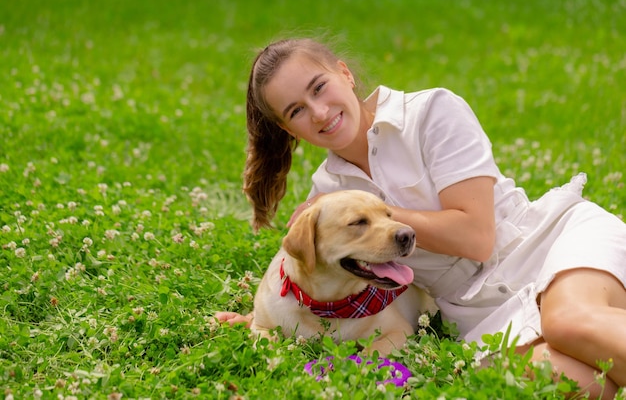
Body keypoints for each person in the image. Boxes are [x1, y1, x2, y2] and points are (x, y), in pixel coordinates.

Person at [216, 37, 626, 397]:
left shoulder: (431, 111)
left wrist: (371, 214)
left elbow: (478, 237)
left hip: (544, 245)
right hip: (475, 311)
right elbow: (319, 274)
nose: (320, 112)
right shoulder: (327, 196)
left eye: (320, 87)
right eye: (297, 111)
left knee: (569, 323)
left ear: (345, 73)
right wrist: (263, 320)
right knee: (568, 379)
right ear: (289, 130)